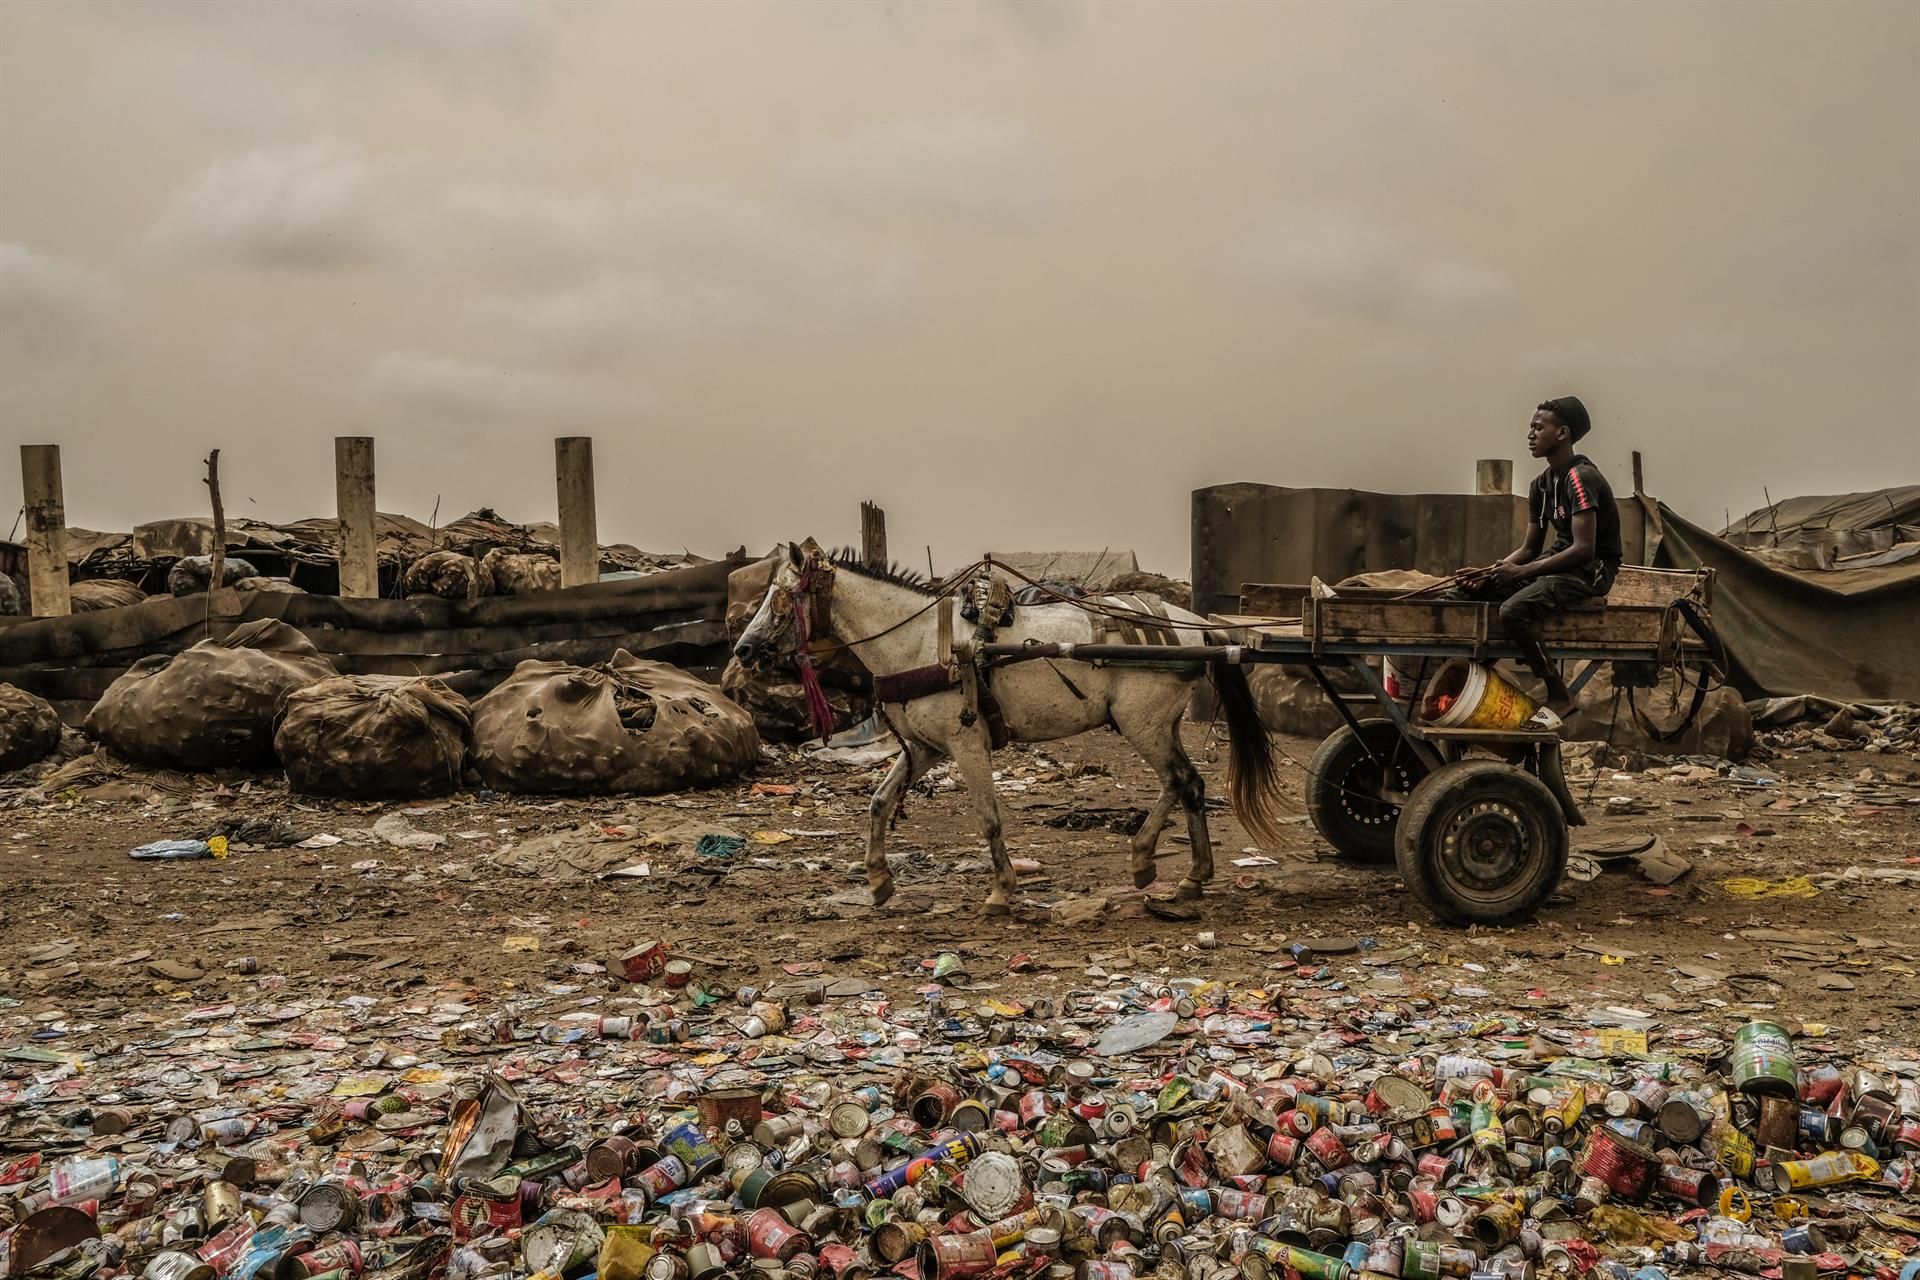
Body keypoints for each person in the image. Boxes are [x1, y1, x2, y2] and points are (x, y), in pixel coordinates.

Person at [1451, 395, 1622, 715]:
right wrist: (1491, 571)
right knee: (1470, 590)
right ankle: (1471, 681)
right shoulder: (1540, 485)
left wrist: (1522, 573)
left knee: (1514, 610)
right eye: (1530, 427)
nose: (1530, 434)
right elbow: (1529, 549)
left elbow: (1584, 549)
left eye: (1538, 427)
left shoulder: (1580, 477)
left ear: (1563, 434)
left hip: (1591, 571)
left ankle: (1560, 694)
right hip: (1560, 566)